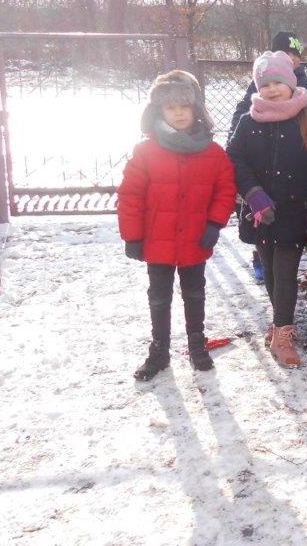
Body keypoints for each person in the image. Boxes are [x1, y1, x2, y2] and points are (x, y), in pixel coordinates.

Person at [118, 70, 236, 381]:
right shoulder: (145, 151)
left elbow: (225, 189)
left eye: (185, 106)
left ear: (196, 109)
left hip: (196, 239)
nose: (179, 113)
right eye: (171, 107)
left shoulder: (213, 153)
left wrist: (214, 223)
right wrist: (132, 236)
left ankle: (197, 344)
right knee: (159, 296)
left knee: (194, 293)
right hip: (156, 240)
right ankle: (159, 350)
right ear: (159, 110)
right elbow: (130, 195)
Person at [226, 51, 307, 368]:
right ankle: (279, 322)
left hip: (294, 212)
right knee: (271, 271)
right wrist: (253, 194)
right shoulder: (249, 121)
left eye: (278, 83)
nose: (272, 89)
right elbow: (234, 160)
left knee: (285, 273)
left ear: (291, 83)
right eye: (265, 84)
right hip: (260, 213)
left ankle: (282, 336)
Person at [229, 31, 307, 283]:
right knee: (263, 227)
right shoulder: (261, 84)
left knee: (285, 251)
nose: (293, 58)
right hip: (261, 169)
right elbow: (242, 118)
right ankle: (259, 255)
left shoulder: (305, 86)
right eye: (288, 54)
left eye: (296, 54)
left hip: (292, 176)